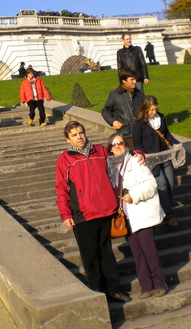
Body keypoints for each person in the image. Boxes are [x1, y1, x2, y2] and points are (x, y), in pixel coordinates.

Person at [55, 121, 131, 303]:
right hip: (83, 215)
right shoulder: (65, 159)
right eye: (74, 134)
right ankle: (98, 294)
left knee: (106, 254)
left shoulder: (100, 151)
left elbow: (125, 155)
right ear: (67, 139)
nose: (79, 136)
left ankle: (114, 289)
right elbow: (61, 188)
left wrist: (141, 155)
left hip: (105, 211)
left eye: (81, 132)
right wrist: (65, 214)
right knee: (90, 257)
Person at [107, 134, 167, 299]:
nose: (117, 146)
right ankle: (146, 286)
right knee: (137, 253)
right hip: (126, 217)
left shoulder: (135, 161)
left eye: (120, 142)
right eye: (113, 144)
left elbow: (151, 184)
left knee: (149, 251)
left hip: (142, 212)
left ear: (126, 145)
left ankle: (160, 283)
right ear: (110, 148)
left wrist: (133, 195)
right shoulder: (110, 167)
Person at [132, 96, 180, 228]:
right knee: (162, 184)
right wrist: (143, 155)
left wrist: (176, 144)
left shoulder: (161, 118)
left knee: (170, 183)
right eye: (151, 110)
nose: (154, 112)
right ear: (145, 109)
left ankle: (167, 209)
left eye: (155, 109)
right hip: (151, 160)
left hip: (164, 156)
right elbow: (137, 144)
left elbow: (167, 134)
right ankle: (169, 215)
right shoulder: (138, 124)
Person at [101, 68, 143, 150]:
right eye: (132, 79)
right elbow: (105, 111)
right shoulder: (115, 94)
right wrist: (113, 122)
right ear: (124, 81)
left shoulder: (139, 94)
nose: (135, 81)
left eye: (135, 79)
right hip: (126, 134)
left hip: (142, 132)